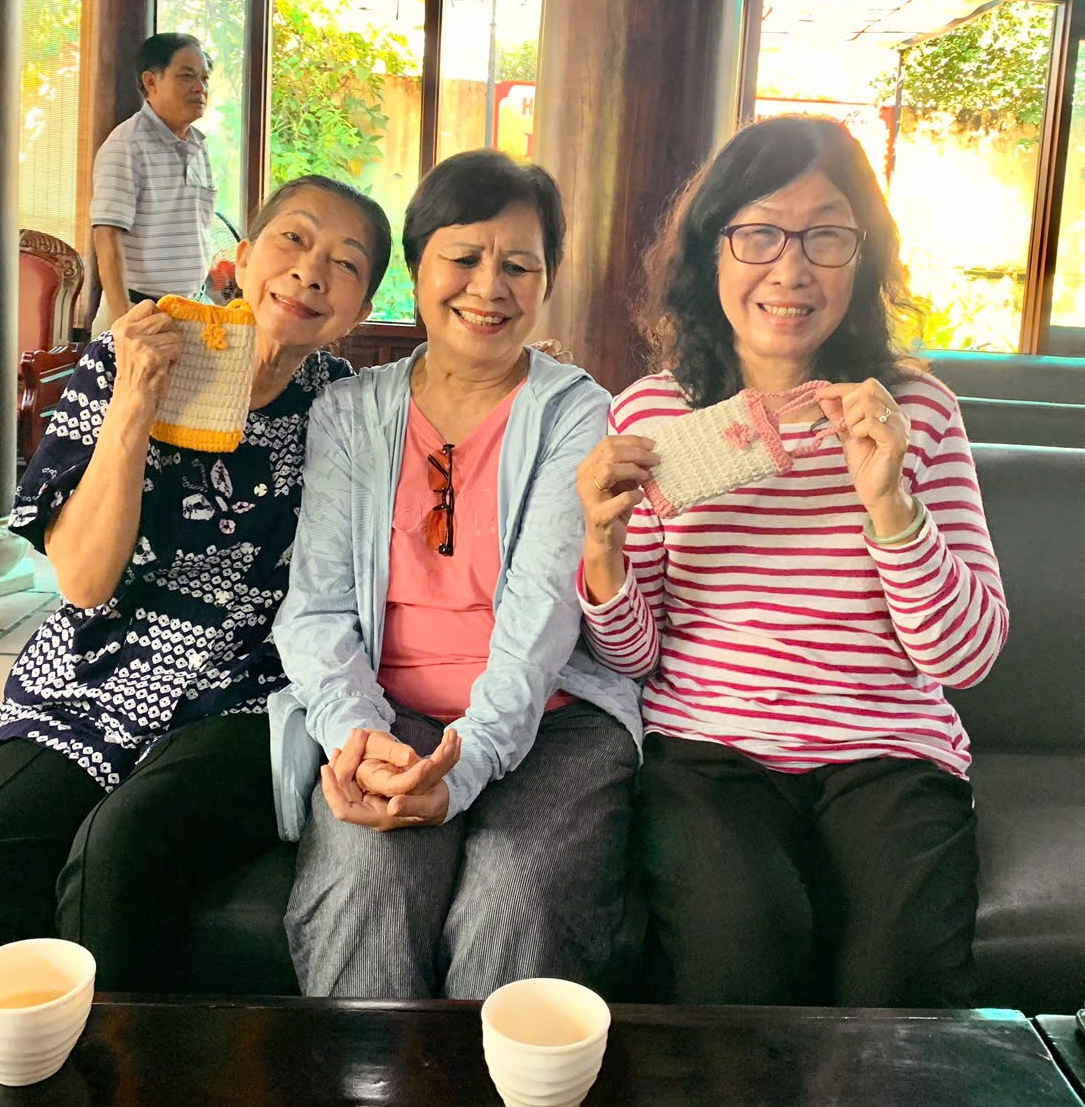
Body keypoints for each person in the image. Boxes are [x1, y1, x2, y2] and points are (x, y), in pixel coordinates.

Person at [576, 115, 1008, 1008]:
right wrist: (602, 548)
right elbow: (636, 657)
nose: (791, 268)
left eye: (827, 236)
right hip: (710, 751)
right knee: (742, 959)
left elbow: (964, 659)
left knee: (898, 987)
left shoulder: (917, 412)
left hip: (891, 752)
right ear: (713, 252)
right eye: (760, 233)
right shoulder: (653, 416)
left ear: (864, 257)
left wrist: (891, 506)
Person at [0, 175, 392, 991]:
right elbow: (84, 581)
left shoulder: (345, 409)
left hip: (249, 694)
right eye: (293, 239)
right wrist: (135, 401)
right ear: (242, 259)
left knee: (118, 856)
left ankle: (120, 1058)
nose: (310, 271)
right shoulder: (131, 355)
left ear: (359, 311)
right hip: (93, 680)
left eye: (346, 263)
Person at [270, 149, 642, 1000]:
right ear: (416, 268)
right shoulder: (350, 412)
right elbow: (315, 610)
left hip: (554, 718)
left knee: (514, 896)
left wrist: (461, 770)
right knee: (362, 884)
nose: (489, 288)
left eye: (519, 266)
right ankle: (366, 1071)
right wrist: (358, 739)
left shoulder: (575, 411)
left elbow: (541, 620)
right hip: (387, 711)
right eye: (464, 258)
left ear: (548, 282)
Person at [90, 32, 217, 328]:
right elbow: (107, 234)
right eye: (187, 76)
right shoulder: (127, 145)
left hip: (192, 310)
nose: (200, 88)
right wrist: (124, 321)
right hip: (139, 311)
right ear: (151, 82)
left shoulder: (199, 145)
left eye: (204, 79)